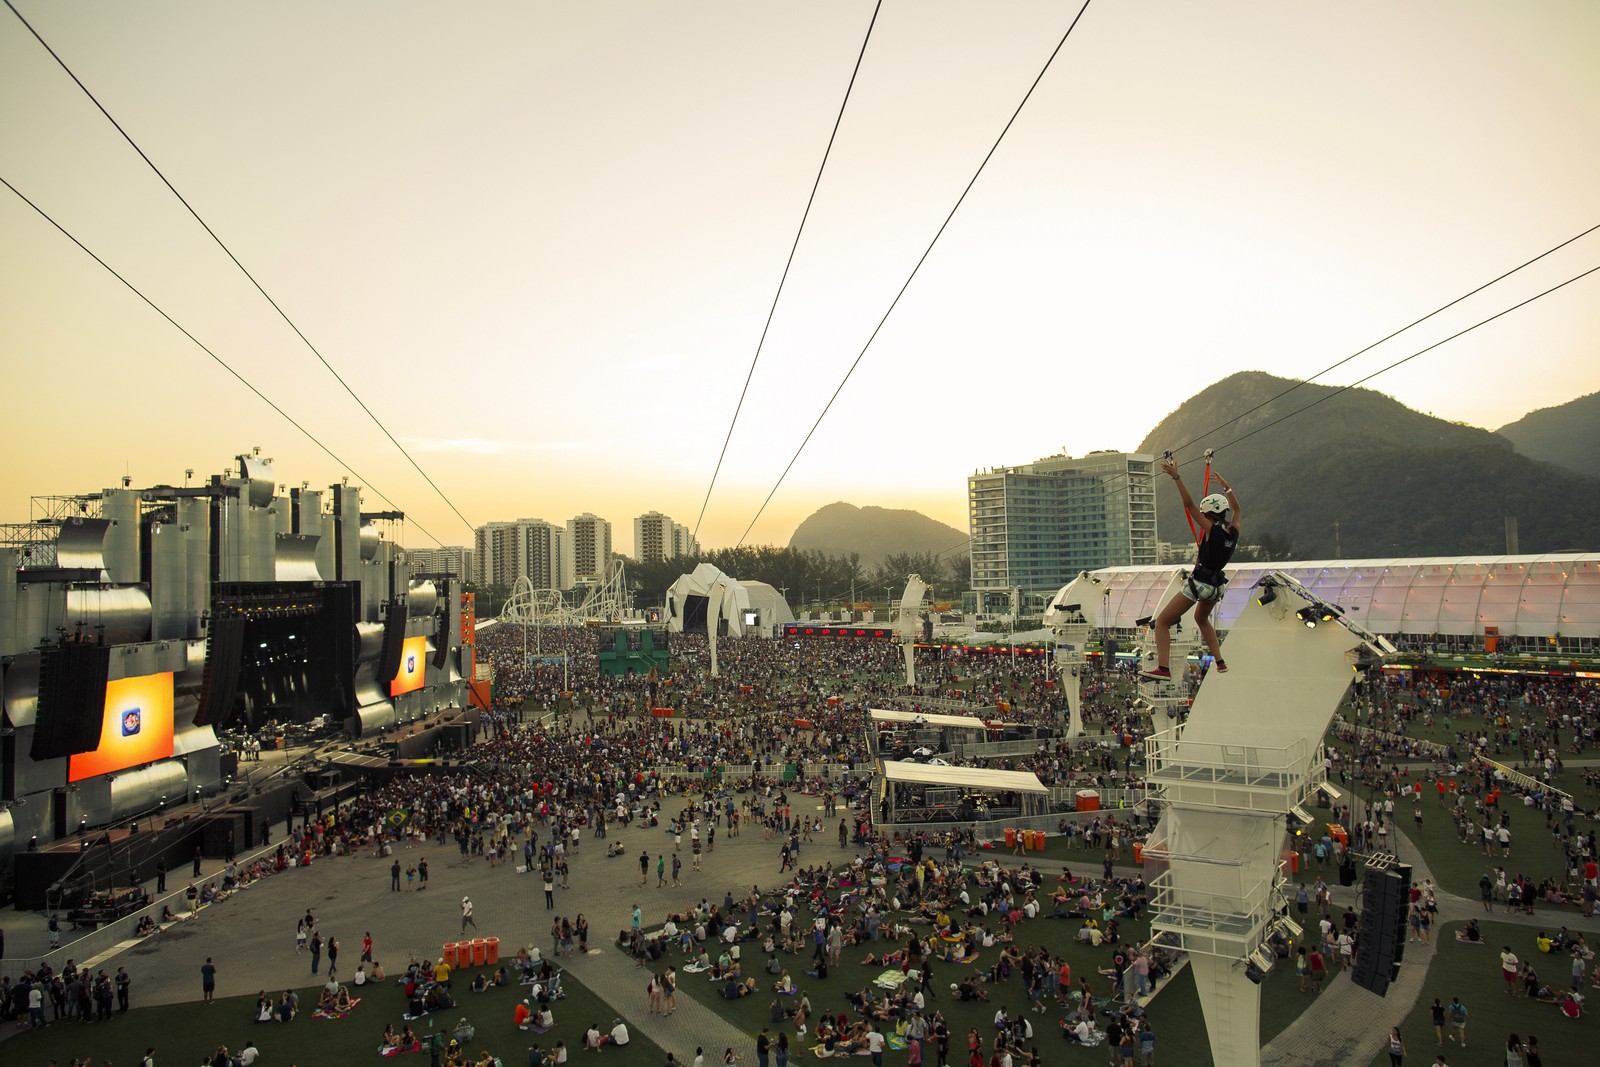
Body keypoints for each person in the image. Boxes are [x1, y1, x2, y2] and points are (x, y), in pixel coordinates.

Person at [1141, 458, 1239, 679]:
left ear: (1207, 515)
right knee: (1201, 619)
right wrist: (1227, 487)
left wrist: (1176, 477)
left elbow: (1189, 505)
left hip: (1201, 584)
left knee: (1163, 623)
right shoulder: (1233, 532)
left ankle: (1163, 668)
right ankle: (1220, 661)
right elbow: (1237, 509)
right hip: (1216, 587)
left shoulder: (1210, 529)